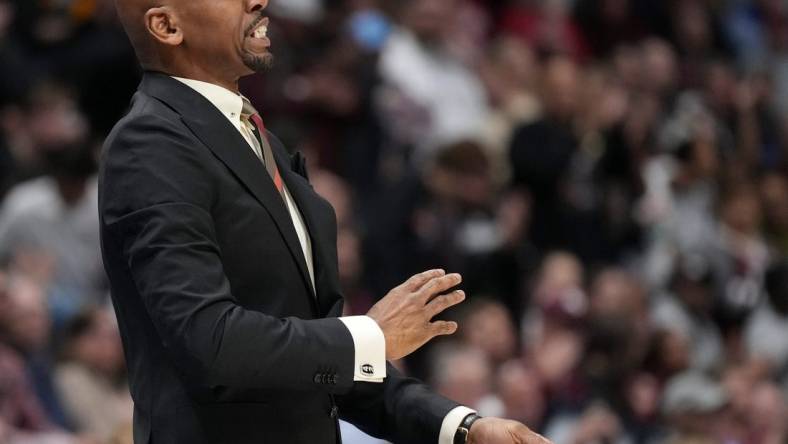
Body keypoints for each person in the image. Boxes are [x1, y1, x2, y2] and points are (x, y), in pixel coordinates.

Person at [99, 0, 550, 443]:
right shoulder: (151, 143)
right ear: (165, 25)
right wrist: (369, 336)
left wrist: (459, 427)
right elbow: (208, 340)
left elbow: (321, 364)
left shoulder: (261, 141)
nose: (258, 0)